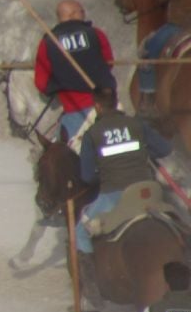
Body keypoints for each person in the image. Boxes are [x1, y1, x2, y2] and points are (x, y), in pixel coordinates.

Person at [73, 84, 175, 265]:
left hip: (114, 195)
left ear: (97, 106)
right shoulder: (137, 124)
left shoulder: (92, 134)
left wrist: (103, 172)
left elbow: (87, 176)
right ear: (115, 102)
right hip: (147, 190)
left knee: (80, 232)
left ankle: (91, 288)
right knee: (178, 220)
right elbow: (165, 148)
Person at [34, 1, 115, 141]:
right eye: (82, 11)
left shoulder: (48, 42)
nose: (84, 14)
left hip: (74, 112)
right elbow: (108, 63)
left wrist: (58, 84)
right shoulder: (96, 34)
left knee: (63, 157)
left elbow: (42, 83)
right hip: (107, 106)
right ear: (72, 14)